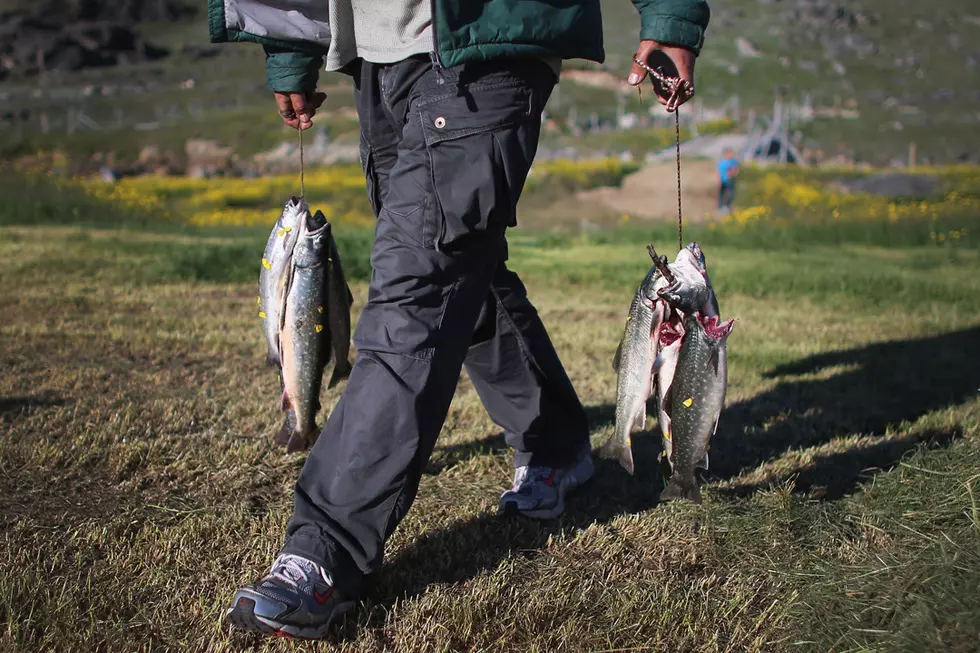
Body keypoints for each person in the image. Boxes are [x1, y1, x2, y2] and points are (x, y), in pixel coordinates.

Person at [209, 0, 710, 639]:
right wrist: (294, 47)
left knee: (417, 290)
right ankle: (556, 443)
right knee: (460, 268)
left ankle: (326, 546)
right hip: (377, 54)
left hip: (486, 43)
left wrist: (669, 16)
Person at [717, 148, 739, 214]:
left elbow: (736, 171)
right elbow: (718, 172)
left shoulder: (734, 162)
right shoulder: (722, 162)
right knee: (722, 194)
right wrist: (719, 181)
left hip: (730, 181)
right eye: (730, 153)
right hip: (723, 181)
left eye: (732, 154)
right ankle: (721, 208)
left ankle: (727, 207)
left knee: (730, 195)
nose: (732, 155)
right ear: (726, 154)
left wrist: (733, 173)